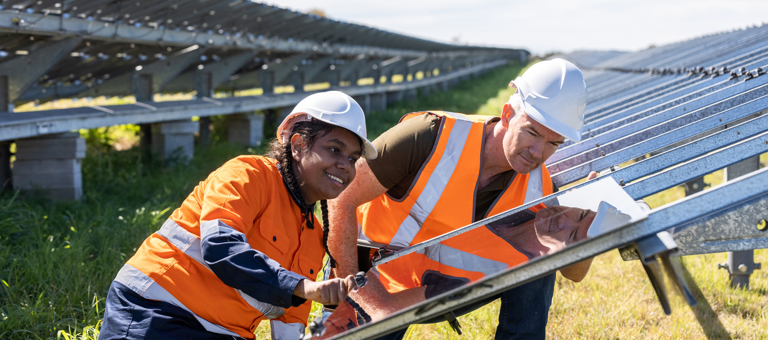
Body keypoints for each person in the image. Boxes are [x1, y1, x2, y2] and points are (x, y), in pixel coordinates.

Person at [325, 58, 593, 339]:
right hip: (370, 275)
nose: (538, 152)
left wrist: (591, 222)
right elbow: (340, 199)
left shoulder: (540, 188)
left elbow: (573, 273)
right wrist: (368, 298)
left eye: (553, 143)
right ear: (507, 114)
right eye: (531, 132)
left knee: (540, 261)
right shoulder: (428, 136)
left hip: (441, 286)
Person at [99, 91, 378, 340]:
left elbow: (290, 324)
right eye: (334, 149)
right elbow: (220, 247)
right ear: (297, 146)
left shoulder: (313, 235)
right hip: (156, 312)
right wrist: (304, 287)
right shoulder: (247, 174)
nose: (345, 165)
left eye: (353, 158)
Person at [314, 205, 598, 339]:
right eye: (579, 215)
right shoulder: (532, 175)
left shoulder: (540, 239)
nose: (563, 221)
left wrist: (584, 231)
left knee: (540, 258)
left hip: (425, 287)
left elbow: (575, 273)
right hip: (371, 266)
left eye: (572, 236)